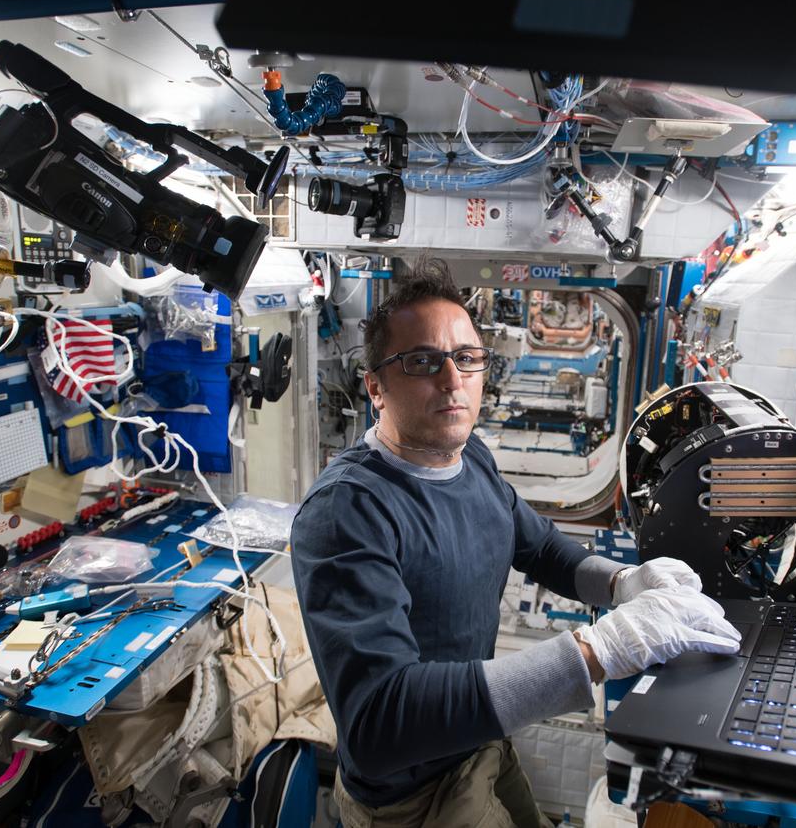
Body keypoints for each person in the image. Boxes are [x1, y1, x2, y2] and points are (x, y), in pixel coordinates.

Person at [290, 260, 741, 828]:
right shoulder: (346, 512)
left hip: (481, 740)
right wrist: (599, 650)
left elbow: (538, 545)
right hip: (412, 795)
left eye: (467, 359)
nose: (453, 381)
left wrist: (622, 583)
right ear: (375, 386)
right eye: (423, 362)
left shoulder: (469, 455)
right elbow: (380, 723)